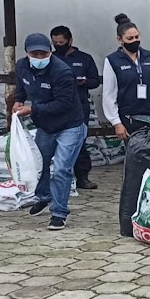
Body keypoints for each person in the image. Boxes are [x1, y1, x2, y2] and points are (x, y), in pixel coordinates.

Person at [13, 33, 87, 231]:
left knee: (62, 168)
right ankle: (44, 197)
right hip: (45, 126)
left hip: (70, 125)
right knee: (39, 164)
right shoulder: (21, 66)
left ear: (51, 52)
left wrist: (32, 109)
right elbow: (21, 85)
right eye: (34, 53)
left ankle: (59, 213)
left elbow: (63, 104)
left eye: (43, 53)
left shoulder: (62, 72)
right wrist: (19, 100)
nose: (38, 57)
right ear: (26, 53)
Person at [102, 14, 150, 139]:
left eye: (137, 37)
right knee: (137, 156)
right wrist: (116, 122)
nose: (134, 41)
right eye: (129, 38)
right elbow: (109, 94)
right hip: (130, 117)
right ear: (120, 40)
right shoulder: (112, 60)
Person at [51, 25, 100, 190]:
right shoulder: (50, 59)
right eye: (55, 42)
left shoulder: (84, 58)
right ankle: (57, 178)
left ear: (70, 40)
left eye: (61, 42)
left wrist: (84, 81)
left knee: (79, 141)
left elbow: (95, 81)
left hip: (79, 106)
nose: (58, 45)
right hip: (55, 106)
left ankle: (82, 177)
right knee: (54, 141)